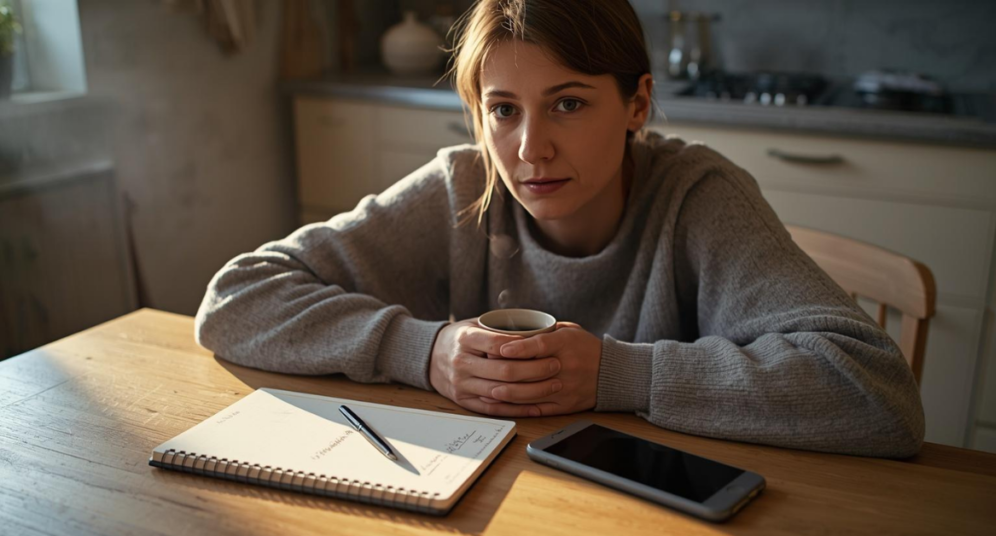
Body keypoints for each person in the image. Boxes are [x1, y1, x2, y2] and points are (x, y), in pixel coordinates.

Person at [196, 0, 924, 458]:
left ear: (637, 104)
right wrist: (424, 350)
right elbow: (235, 299)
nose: (529, 149)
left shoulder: (699, 199)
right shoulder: (465, 185)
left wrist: (617, 372)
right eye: (503, 110)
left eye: (568, 104)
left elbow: (878, 394)